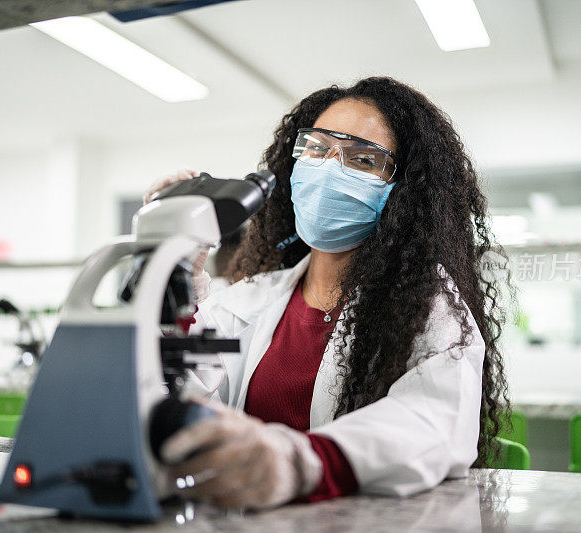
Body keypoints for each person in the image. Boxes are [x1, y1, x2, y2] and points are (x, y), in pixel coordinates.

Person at [144, 77, 509, 509]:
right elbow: (173, 399)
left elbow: (431, 423)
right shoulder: (246, 302)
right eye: (316, 149)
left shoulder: (429, 309)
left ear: (403, 189)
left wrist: (301, 463)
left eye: (361, 159)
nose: (330, 168)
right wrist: (168, 273)